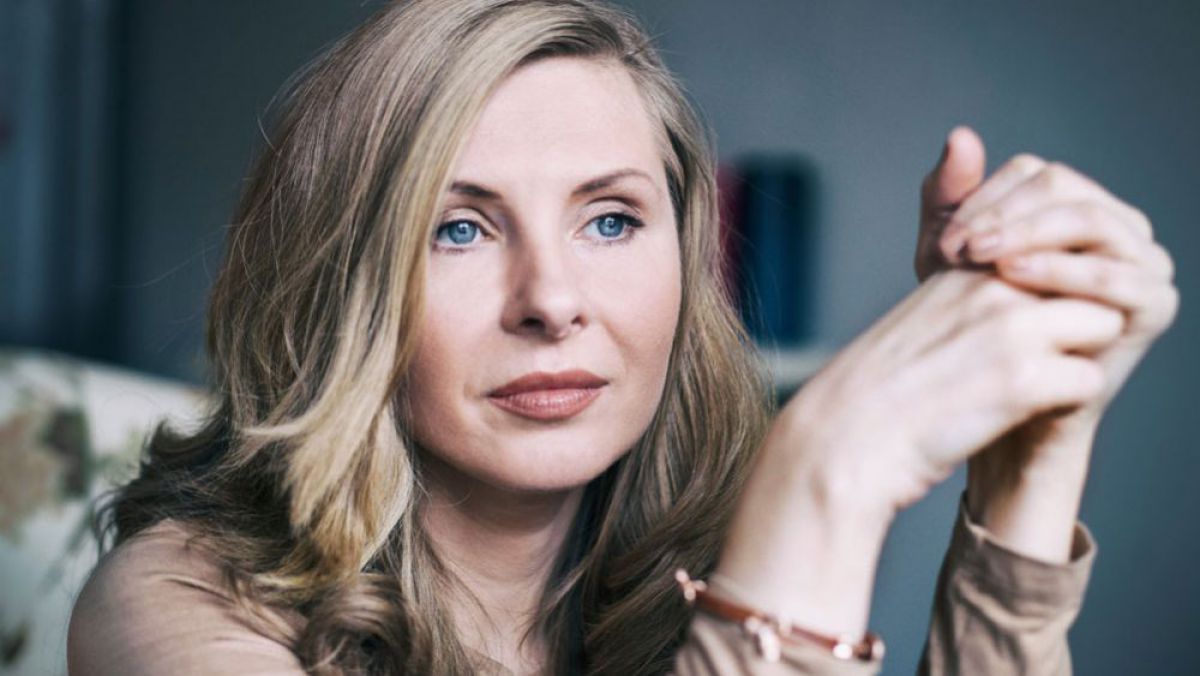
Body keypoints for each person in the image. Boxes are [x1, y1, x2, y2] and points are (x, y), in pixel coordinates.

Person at [66, 0, 1179, 674]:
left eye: (609, 220)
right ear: (340, 288)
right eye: (459, 228)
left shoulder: (696, 570)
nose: (553, 300)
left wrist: (1030, 463)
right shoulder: (174, 607)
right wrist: (820, 476)